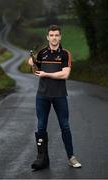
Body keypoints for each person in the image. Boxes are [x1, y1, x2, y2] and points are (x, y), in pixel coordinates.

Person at [28, 24, 82, 170]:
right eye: (51, 35)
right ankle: (42, 159)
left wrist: (47, 74)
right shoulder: (41, 53)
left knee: (65, 126)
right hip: (42, 96)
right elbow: (36, 70)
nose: (54, 37)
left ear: (60, 37)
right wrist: (32, 64)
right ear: (47, 37)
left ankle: (71, 157)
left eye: (56, 35)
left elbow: (65, 74)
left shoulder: (65, 54)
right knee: (41, 127)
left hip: (59, 96)